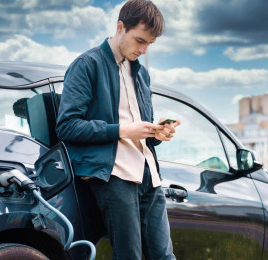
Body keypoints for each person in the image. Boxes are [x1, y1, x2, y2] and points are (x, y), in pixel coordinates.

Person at [56, 0, 179, 259]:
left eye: (150, 44)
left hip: (149, 175)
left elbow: (139, 132)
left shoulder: (141, 74)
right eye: (139, 41)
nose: (144, 50)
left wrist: (158, 134)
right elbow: (67, 126)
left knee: (164, 256)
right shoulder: (87, 65)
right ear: (120, 27)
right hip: (114, 176)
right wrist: (123, 130)